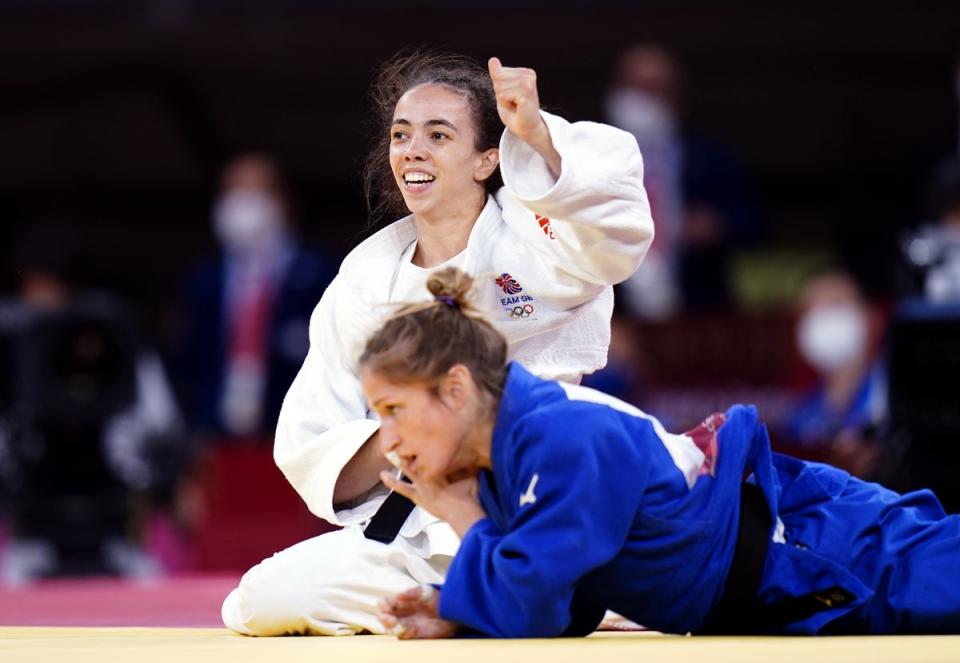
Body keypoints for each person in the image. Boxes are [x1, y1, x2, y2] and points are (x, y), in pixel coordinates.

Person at [220, 51, 654, 635]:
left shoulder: (536, 238)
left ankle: (505, 593)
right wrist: (418, 427)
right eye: (401, 135)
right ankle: (488, 598)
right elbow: (317, 449)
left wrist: (540, 136)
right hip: (418, 531)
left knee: (664, 581)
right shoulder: (364, 282)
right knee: (261, 600)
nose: (412, 150)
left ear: (487, 159)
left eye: (438, 134)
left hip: (545, 497)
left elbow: (615, 231)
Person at [367, 267, 960, 638]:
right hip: (773, 590)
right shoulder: (500, 467)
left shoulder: (562, 438)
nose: (387, 439)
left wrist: (462, 520)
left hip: (828, 544)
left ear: (456, 389)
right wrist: (457, 608)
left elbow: (532, 604)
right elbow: (564, 612)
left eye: (394, 410)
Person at [177, 153, 334, 442]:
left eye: (258, 191)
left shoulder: (323, 277)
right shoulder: (203, 279)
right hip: (215, 438)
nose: (244, 203)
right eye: (234, 190)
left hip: (297, 439)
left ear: (285, 201)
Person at [607, 44, 759, 316]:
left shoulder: (709, 157)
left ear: (676, 98)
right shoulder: (589, 159)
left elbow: (755, 223)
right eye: (635, 88)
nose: (642, 99)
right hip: (616, 318)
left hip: (696, 314)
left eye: (654, 89)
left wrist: (716, 225)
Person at [782, 269, 887, 478]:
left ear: (870, 317)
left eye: (836, 304)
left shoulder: (893, 400)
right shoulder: (800, 420)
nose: (825, 319)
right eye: (814, 310)